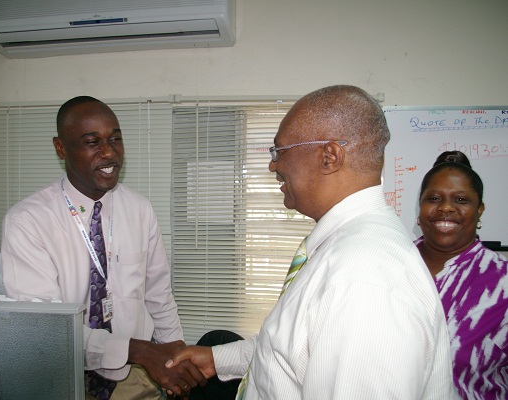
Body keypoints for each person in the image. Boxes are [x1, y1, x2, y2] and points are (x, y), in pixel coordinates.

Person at [166, 85, 457, 399]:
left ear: (329, 156)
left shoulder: (363, 278)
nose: (273, 166)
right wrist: (216, 358)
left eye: (280, 151)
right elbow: (297, 347)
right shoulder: (349, 247)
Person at [0, 96, 205, 399]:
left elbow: (158, 295)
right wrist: (139, 350)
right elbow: (43, 332)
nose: (109, 152)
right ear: (60, 148)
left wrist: (176, 359)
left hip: (133, 376)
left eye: (115, 139)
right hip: (63, 377)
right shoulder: (28, 221)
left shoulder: (139, 210)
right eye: (92, 142)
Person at [415, 150, 508, 399]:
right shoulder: (388, 266)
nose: (445, 207)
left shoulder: (502, 284)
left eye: (461, 200)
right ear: (420, 207)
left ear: (479, 210)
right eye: (434, 198)